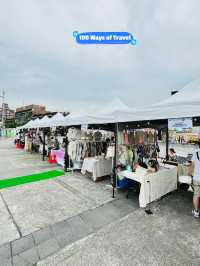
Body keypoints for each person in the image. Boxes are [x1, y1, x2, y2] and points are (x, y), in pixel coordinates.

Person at [191, 141, 200, 218]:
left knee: (196, 195)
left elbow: (192, 166)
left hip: (196, 178)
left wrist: (190, 174)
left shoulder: (195, 153)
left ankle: (196, 211)